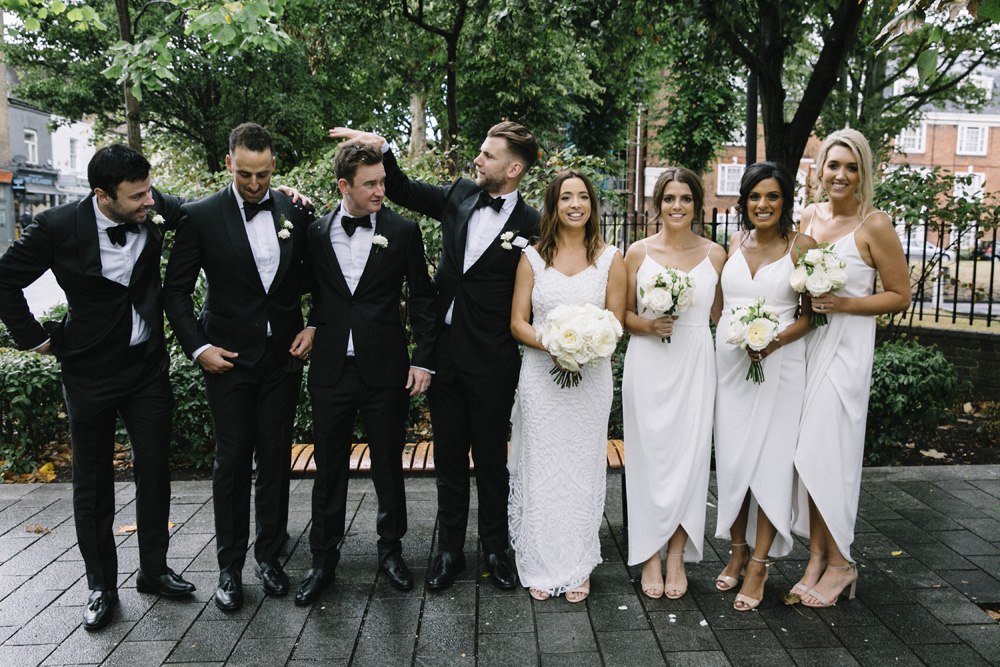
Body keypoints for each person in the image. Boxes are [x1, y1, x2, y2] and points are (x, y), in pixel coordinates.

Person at [328, 122, 541, 591]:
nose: (477, 161)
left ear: (514, 168)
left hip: (493, 358)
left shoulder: (532, 224)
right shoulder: (460, 195)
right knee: (447, 460)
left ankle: (495, 550)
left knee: (490, 461)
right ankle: (449, 553)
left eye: (487, 155)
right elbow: (401, 188)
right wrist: (381, 146)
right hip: (444, 356)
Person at [0, 144, 196, 630]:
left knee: (154, 470)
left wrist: (282, 195)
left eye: (150, 190)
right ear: (102, 196)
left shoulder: (153, 206)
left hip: (146, 366)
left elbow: (205, 214)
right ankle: (100, 586)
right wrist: (37, 339)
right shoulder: (58, 227)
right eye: (137, 197)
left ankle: (154, 570)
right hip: (88, 370)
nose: (150, 202)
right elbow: (4, 279)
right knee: (92, 484)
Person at [163, 123, 315, 612]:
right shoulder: (201, 215)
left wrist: (314, 326)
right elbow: (175, 292)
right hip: (226, 361)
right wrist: (198, 347)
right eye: (246, 175)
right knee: (231, 463)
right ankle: (228, 568)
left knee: (274, 459)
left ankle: (268, 556)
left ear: (274, 167)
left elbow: (322, 276)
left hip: (282, 360)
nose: (255, 185)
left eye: (264, 175)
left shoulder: (294, 208)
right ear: (229, 163)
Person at [295, 141, 436, 605]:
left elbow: (421, 299)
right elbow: (314, 293)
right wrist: (313, 326)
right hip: (331, 369)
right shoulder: (315, 233)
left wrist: (422, 358)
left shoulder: (402, 229)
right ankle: (322, 560)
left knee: (388, 467)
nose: (381, 190)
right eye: (370, 184)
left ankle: (391, 551)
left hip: (385, 367)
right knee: (329, 468)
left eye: (382, 181)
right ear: (344, 186)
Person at [791, 129, 910, 608]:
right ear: (819, 172)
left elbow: (899, 295)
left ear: (863, 174)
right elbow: (799, 287)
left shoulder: (874, 224)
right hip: (809, 349)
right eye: (833, 165)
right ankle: (817, 558)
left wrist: (844, 302)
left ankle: (842, 563)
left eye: (851, 167)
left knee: (830, 455)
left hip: (846, 355)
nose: (840, 175)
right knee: (809, 456)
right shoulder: (808, 216)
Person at [508, 170, 626, 602]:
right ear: (553, 206)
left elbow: (615, 322)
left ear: (592, 205)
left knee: (580, 466)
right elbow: (518, 322)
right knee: (541, 465)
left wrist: (587, 350)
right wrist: (553, 344)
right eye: (565, 198)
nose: (575, 205)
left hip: (591, 379)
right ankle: (540, 561)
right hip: (541, 377)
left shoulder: (612, 258)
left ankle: (577, 564)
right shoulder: (533, 257)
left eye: (583, 197)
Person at [713, 162, 816, 611]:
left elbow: (812, 315)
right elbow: (720, 307)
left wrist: (772, 341)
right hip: (733, 368)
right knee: (734, 461)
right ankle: (736, 553)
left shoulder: (801, 247)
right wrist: (735, 338)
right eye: (755, 196)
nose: (763, 204)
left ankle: (759, 563)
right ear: (744, 201)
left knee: (770, 462)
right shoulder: (734, 242)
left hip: (780, 367)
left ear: (784, 201)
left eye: (772, 196)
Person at [622, 167, 725, 600]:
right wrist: (649, 326)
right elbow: (619, 316)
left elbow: (724, 315)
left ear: (697, 205)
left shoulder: (716, 254)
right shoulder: (637, 253)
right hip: (647, 363)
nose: (677, 206)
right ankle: (648, 554)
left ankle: (678, 556)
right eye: (669, 198)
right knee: (648, 459)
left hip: (697, 362)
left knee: (691, 458)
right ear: (656, 204)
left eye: (685, 198)